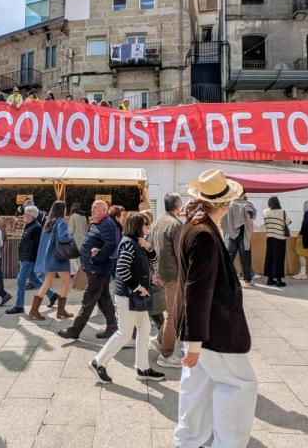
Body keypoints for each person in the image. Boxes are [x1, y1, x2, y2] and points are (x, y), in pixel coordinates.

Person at [175, 170, 257, 448]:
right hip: (214, 330)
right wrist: (196, 340)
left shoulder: (193, 225)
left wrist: (192, 338)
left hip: (199, 328)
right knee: (239, 385)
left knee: (196, 387)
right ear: (223, 204)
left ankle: (189, 440)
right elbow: (197, 289)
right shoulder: (204, 234)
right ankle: (226, 443)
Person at [89, 212, 165, 384]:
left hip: (133, 297)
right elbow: (122, 269)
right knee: (124, 333)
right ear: (138, 226)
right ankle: (98, 363)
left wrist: (148, 247)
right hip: (128, 296)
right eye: (146, 224)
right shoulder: (129, 244)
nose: (148, 227)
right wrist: (138, 287)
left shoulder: (137, 243)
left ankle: (142, 367)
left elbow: (154, 259)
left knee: (144, 328)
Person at [58, 200, 119, 340]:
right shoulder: (95, 222)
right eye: (92, 208)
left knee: (88, 300)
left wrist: (96, 259)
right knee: (104, 299)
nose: (92, 211)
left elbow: (110, 244)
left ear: (104, 210)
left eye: (95, 209)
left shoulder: (108, 223)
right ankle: (112, 327)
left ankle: (74, 330)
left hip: (98, 270)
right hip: (92, 268)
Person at [151, 193, 183, 368]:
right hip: (172, 274)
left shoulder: (157, 222)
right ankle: (166, 354)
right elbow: (181, 253)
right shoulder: (176, 225)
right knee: (172, 314)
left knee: (170, 313)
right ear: (178, 206)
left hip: (161, 273)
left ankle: (159, 341)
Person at [9, 205, 57, 316]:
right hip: (26, 258)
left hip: (29, 259)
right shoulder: (29, 226)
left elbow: (36, 246)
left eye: (25, 214)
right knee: (34, 279)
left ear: (30, 216)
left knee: (20, 281)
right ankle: (52, 295)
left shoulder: (36, 227)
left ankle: (19, 306)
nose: (23, 216)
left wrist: (27, 259)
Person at [31, 202, 75, 321]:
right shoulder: (61, 222)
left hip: (49, 258)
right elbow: (63, 237)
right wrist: (71, 236)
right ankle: (60, 311)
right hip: (59, 258)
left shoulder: (49, 221)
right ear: (62, 209)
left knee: (47, 283)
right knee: (67, 282)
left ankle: (34, 311)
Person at [222, 196, 257, 286]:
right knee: (245, 257)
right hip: (243, 233)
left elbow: (223, 220)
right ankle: (247, 280)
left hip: (231, 233)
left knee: (229, 257)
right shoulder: (246, 205)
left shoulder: (229, 204)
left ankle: (223, 279)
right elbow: (250, 219)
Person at [262, 196, 291, 287]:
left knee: (269, 257)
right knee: (279, 259)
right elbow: (287, 222)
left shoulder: (265, 212)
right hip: (280, 238)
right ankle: (278, 280)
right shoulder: (282, 212)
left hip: (270, 237)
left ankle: (269, 279)